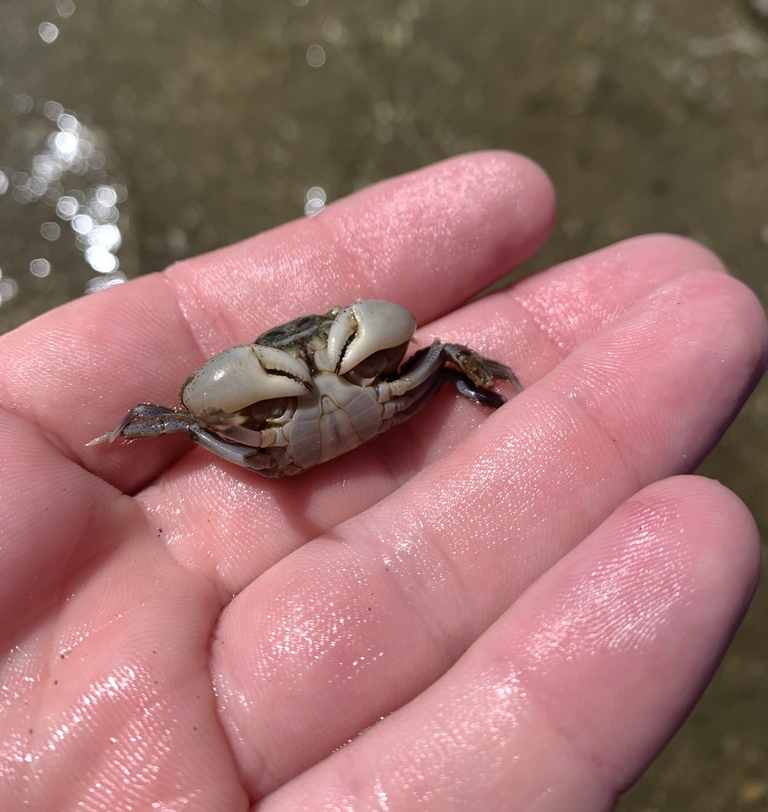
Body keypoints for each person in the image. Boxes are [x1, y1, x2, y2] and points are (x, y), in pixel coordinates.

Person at [0, 152, 764, 812]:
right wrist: (146, 423)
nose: (305, 359)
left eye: (323, 340)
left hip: (377, 409)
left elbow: (432, 349)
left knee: (451, 353)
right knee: (175, 416)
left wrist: (478, 378)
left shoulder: (389, 365)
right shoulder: (246, 425)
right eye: (283, 358)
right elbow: (190, 410)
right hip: (273, 447)